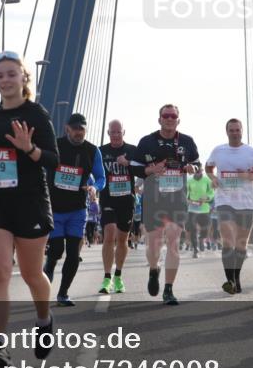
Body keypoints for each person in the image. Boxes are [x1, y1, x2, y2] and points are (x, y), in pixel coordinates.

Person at [0, 51, 60, 368]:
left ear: (24, 77)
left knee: (31, 274)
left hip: (29, 201)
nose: (4, 80)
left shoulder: (36, 114)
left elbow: (53, 160)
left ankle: (44, 319)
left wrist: (30, 149)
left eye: (11, 74)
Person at [130, 104, 200, 306]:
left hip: (176, 200)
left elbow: (198, 165)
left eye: (173, 116)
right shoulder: (147, 141)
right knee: (153, 243)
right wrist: (152, 169)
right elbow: (135, 168)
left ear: (178, 120)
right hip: (153, 199)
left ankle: (168, 289)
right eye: (166, 116)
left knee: (173, 242)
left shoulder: (187, 141)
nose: (169, 119)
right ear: (159, 119)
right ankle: (154, 269)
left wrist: (191, 167)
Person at [44, 113, 105, 306]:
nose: (79, 133)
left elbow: (101, 177)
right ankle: (48, 272)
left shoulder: (92, 151)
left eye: (82, 129)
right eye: (75, 128)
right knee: (55, 251)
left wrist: (95, 187)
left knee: (72, 253)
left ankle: (63, 293)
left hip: (77, 209)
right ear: (67, 128)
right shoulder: (55, 144)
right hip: (54, 207)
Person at [206, 119, 253, 294]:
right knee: (228, 240)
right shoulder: (218, 150)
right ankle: (229, 280)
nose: (235, 133)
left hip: (246, 202)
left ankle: (236, 277)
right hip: (224, 201)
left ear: (242, 131)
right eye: (232, 130)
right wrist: (213, 178)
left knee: (241, 244)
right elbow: (208, 167)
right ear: (227, 131)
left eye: (238, 130)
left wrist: (249, 175)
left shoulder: (252, 152)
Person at [98, 119, 137, 293]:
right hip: (108, 199)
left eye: (118, 132)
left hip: (126, 200)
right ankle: (107, 278)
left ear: (123, 132)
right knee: (109, 233)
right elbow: (94, 172)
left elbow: (143, 169)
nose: (115, 135)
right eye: (112, 132)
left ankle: (118, 276)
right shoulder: (101, 151)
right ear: (108, 133)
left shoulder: (132, 150)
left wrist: (129, 163)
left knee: (122, 239)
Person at [186, 161, 215, 258]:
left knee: (205, 229)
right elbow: (185, 194)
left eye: (200, 171)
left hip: (204, 209)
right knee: (193, 230)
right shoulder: (189, 181)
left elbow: (211, 193)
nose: (199, 173)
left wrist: (206, 198)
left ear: (202, 170)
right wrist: (187, 200)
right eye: (197, 171)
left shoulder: (207, 180)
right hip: (192, 209)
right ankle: (195, 250)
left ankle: (202, 239)